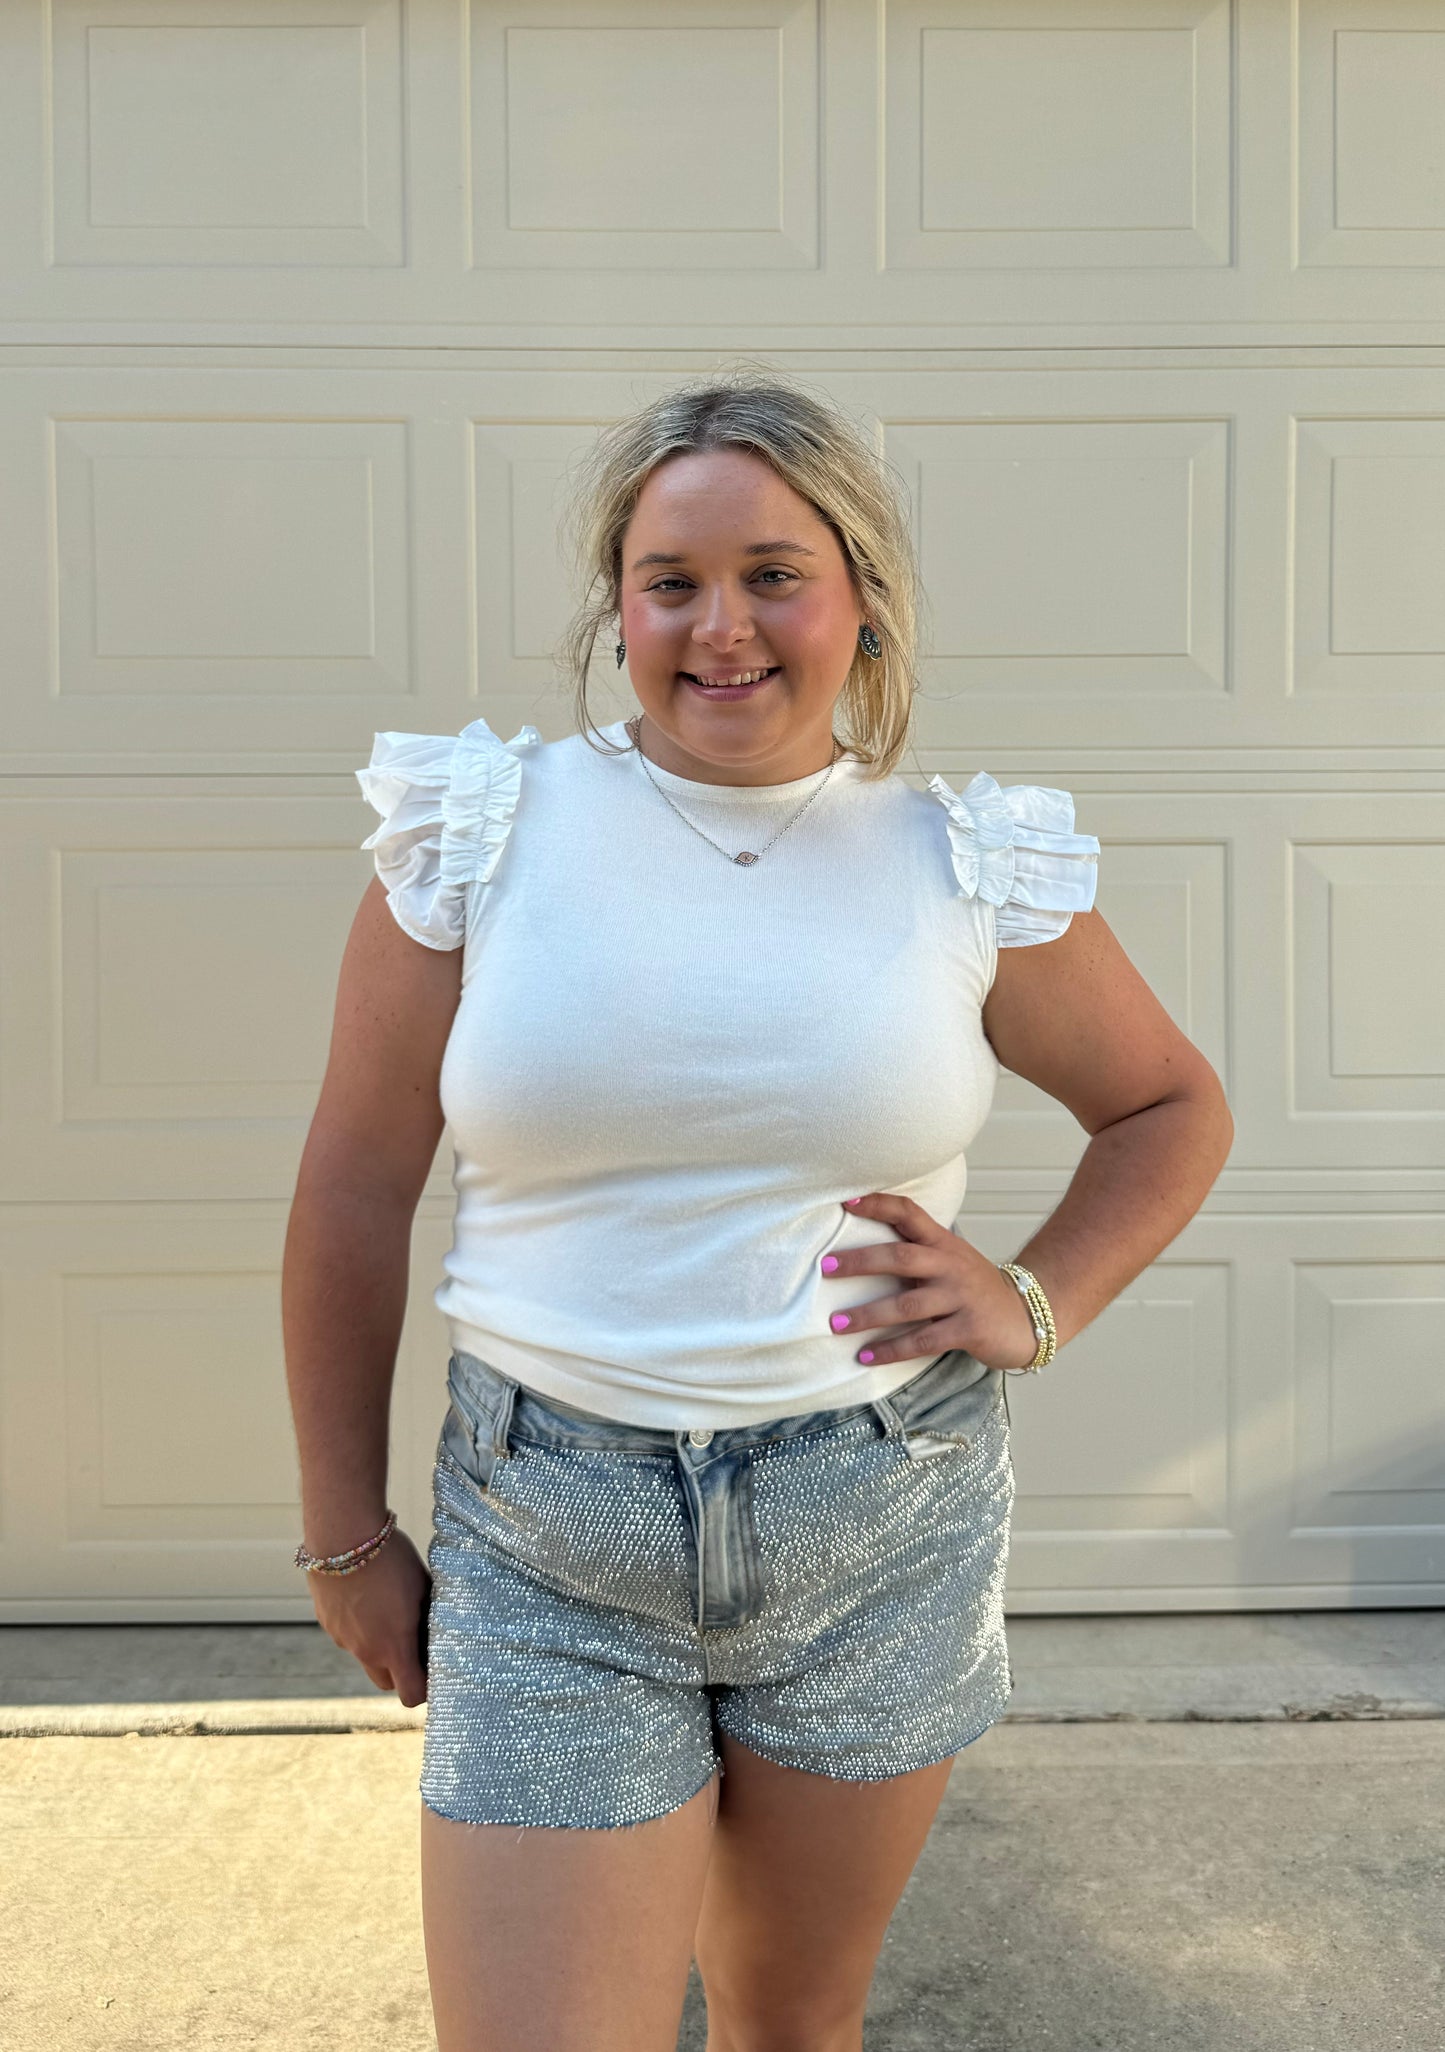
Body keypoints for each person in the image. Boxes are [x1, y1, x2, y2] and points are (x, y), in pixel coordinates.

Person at [282, 365, 1234, 2052]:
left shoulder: (964, 862)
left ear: (859, 600)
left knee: (792, 2025)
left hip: (877, 1524)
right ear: (620, 609)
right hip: (548, 1538)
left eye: (772, 575)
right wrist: (345, 1529)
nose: (721, 627)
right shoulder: (482, 834)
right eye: (673, 583)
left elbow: (1167, 1107)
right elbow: (355, 1189)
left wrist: (1033, 1300)